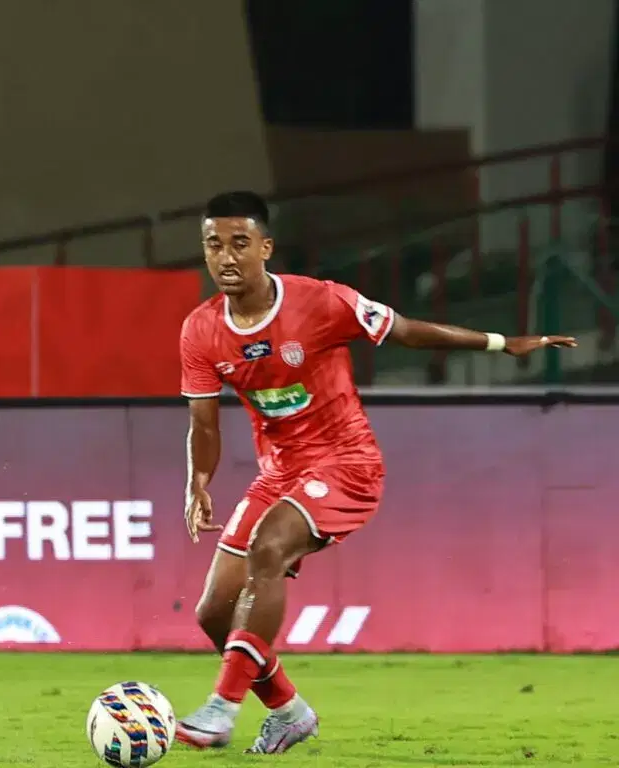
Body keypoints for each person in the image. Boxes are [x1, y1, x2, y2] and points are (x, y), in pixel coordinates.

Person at [174, 191, 575, 754]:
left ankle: (222, 707)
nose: (226, 258)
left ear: (265, 247)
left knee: (269, 549)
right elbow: (205, 424)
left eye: (240, 243)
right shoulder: (200, 330)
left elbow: (406, 330)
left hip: (347, 464)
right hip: (279, 474)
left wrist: (503, 343)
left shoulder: (322, 302)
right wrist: (198, 480)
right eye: (214, 245)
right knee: (214, 611)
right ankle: (289, 711)